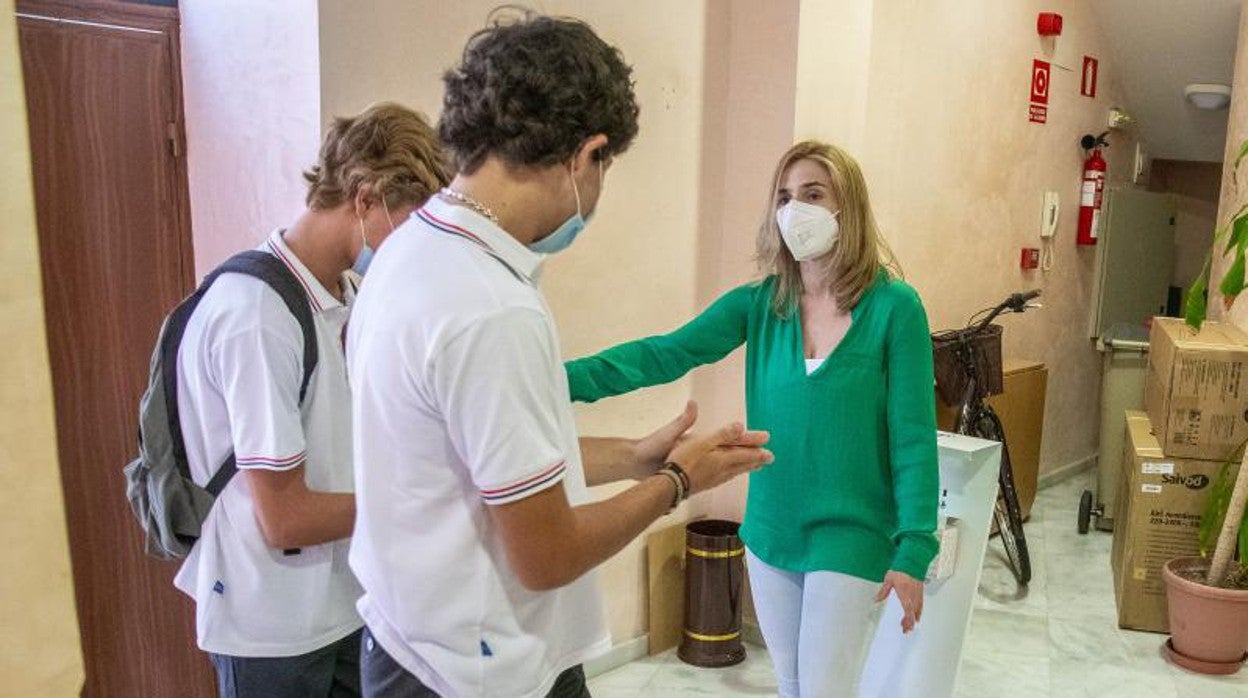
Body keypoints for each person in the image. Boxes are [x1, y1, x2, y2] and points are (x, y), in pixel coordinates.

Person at [345, 11, 773, 698]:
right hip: (474, 671)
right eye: (604, 168)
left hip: (414, 644)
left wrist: (636, 457)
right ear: (586, 155)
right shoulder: (490, 307)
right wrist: (677, 485)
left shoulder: (411, 252)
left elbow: (487, 464)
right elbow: (547, 555)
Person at [566, 140, 939, 697]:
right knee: (790, 686)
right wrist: (553, 378)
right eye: (784, 197)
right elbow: (663, 354)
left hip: (852, 533)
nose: (795, 209)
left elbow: (912, 439)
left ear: (848, 207)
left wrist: (914, 546)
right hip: (771, 528)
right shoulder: (763, 304)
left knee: (823, 690)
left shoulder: (895, 309)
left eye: (813, 194)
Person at [173, 102, 449, 697]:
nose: (414, 248)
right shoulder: (255, 314)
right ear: (366, 197)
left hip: (344, 605)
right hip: (270, 627)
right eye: (410, 223)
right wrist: (427, 504)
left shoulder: (346, 293)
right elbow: (285, 518)